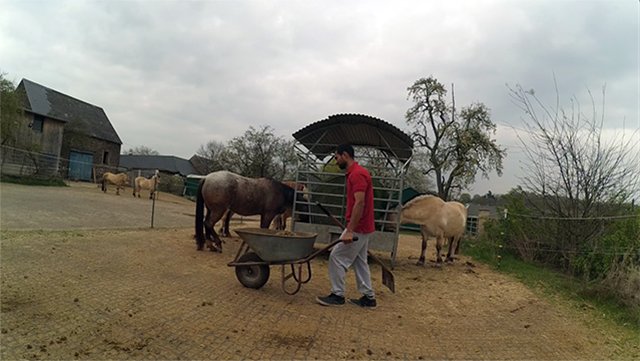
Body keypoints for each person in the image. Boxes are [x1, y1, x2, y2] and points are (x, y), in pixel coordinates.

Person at [316, 144, 377, 309]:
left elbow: (360, 203)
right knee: (360, 261)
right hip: (362, 226)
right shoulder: (355, 173)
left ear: (345, 155)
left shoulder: (357, 174)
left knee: (336, 257)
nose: (336, 161)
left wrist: (350, 230)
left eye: (336, 157)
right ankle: (368, 297)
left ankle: (337, 295)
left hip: (358, 227)